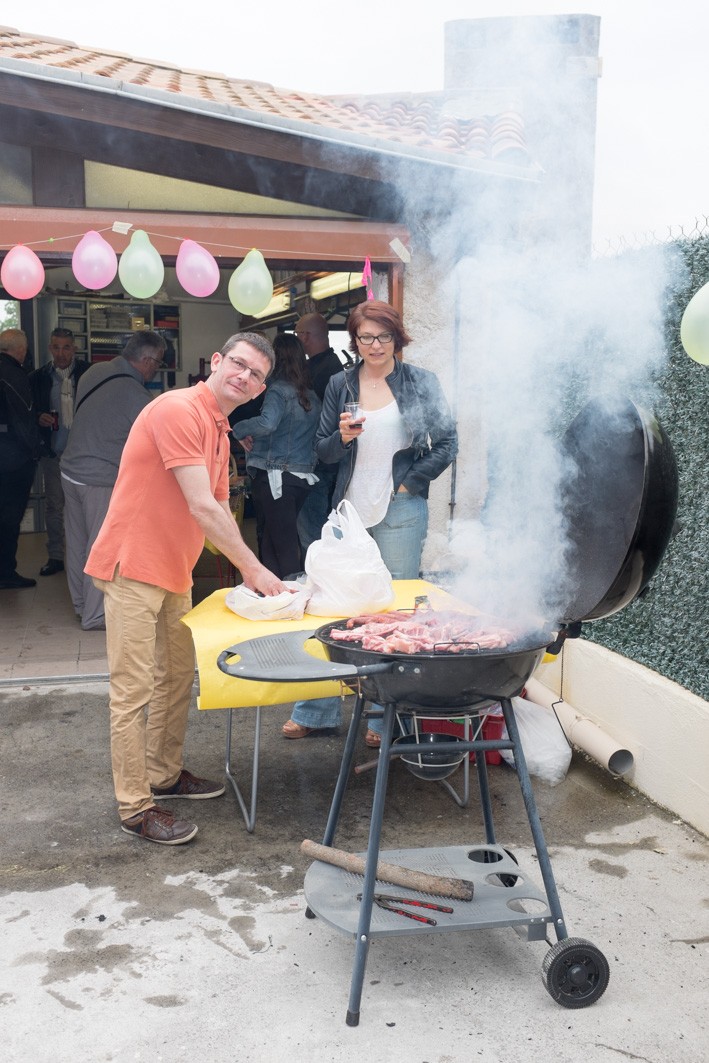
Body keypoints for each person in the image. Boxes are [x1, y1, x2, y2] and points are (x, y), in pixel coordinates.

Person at [85, 332, 286, 846]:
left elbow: (219, 510)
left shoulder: (219, 427)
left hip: (175, 569)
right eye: (238, 364)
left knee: (175, 676)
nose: (244, 377)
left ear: (261, 389)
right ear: (216, 361)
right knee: (131, 691)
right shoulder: (179, 409)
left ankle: (164, 774)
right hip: (133, 565)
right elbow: (201, 505)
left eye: (256, 374)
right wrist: (254, 570)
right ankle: (135, 807)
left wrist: (256, 583)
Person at [283, 301, 458, 745]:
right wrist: (341, 437)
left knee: (393, 614)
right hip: (349, 510)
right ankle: (317, 710)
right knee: (335, 606)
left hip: (400, 510)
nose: (375, 345)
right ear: (354, 340)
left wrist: (410, 484)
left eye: (383, 337)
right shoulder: (342, 384)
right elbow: (322, 451)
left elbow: (448, 441)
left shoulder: (420, 383)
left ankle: (384, 718)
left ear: (397, 338)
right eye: (365, 337)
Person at [60, 331, 167, 631]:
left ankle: (81, 606)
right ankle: (95, 616)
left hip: (70, 469)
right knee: (101, 548)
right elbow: (156, 443)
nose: (156, 370)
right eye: (157, 363)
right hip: (99, 478)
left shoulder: (94, 371)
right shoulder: (137, 396)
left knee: (78, 543)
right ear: (145, 360)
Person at [232, 333, 321, 579]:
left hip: (275, 476)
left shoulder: (278, 391)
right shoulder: (311, 395)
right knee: (280, 539)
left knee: (278, 542)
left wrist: (238, 428)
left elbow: (268, 423)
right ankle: (276, 593)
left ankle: (291, 594)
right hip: (301, 477)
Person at [29, 328, 90, 576]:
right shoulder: (38, 378)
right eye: (56, 347)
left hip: (84, 454)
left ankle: (88, 556)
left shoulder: (88, 374)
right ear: (50, 349)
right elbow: (26, 411)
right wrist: (37, 418)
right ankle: (56, 556)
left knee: (85, 507)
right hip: (54, 453)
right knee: (55, 507)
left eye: (66, 347)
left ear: (74, 349)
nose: (61, 353)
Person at [294, 313, 348, 557]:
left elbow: (315, 417)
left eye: (298, 335)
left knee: (314, 534)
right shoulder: (328, 366)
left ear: (305, 337)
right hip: (324, 460)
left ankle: (316, 582)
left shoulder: (326, 371)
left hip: (320, 463)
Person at [0, 329, 41, 590]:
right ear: (22, 351)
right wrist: (34, 450)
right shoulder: (14, 375)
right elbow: (23, 420)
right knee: (9, 517)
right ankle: (5, 573)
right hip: (11, 458)